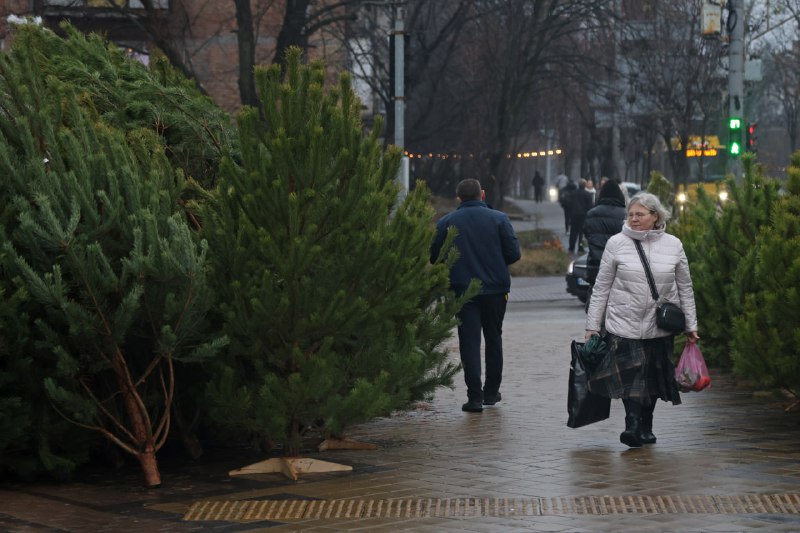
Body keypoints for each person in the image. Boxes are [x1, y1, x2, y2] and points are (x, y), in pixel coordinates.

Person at [584, 192, 699, 448]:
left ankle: (646, 424)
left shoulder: (674, 245)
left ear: (655, 217)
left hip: (660, 326)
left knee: (653, 378)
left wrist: (691, 325)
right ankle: (632, 424)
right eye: (631, 214)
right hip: (624, 322)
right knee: (631, 377)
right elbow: (601, 287)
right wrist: (593, 326)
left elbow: (685, 287)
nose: (634, 219)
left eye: (640, 214)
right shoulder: (616, 243)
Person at [430, 179, 521, 413]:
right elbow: (513, 254)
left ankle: (474, 397)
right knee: (494, 338)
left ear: (458, 198)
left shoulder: (447, 222)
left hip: (461, 290)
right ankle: (492, 392)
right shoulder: (499, 218)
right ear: (482, 194)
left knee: (469, 342)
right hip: (495, 290)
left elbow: (435, 257)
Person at [583, 179, 626, 287]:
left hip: (596, 265)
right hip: (619, 266)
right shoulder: (625, 215)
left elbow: (587, 235)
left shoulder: (591, 214)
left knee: (595, 298)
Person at [567, 179, 594, 254]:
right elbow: (590, 207)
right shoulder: (587, 195)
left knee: (573, 233)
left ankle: (571, 248)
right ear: (585, 185)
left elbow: (569, 204)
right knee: (581, 234)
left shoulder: (573, 193)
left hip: (574, 216)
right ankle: (580, 247)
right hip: (583, 217)